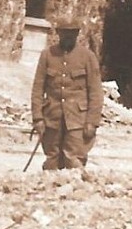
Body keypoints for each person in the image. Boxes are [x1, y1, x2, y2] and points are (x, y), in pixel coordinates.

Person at [31, 15, 103, 170]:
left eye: (72, 32)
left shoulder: (88, 57)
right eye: (64, 32)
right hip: (52, 117)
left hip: (77, 119)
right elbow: (37, 88)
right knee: (51, 159)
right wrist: (37, 118)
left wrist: (92, 121)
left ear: (77, 34)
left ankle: (73, 192)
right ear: (58, 33)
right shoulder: (47, 55)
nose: (68, 36)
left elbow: (96, 92)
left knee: (74, 159)